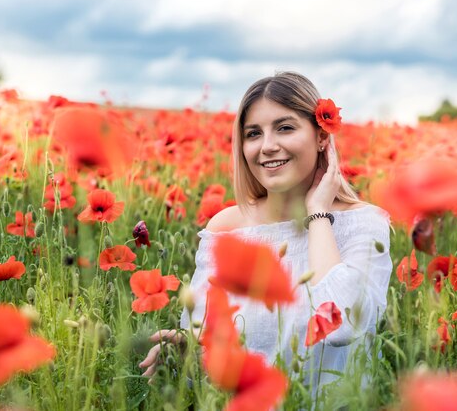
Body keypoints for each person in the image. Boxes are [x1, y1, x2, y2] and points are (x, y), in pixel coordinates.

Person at [139, 71, 392, 396]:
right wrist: (183, 354)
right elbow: (206, 345)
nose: (268, 146)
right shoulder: (226, 229)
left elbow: (342, 325)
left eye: (285, 128)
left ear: (321, 137)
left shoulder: (364, 224)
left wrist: (318, 214)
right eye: (253, 133)